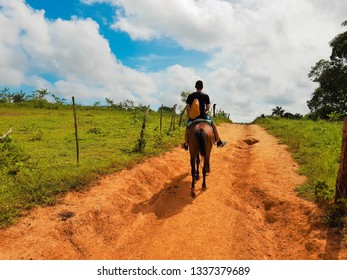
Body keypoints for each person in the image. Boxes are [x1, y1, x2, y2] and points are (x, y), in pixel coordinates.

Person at [182, 80, 227, 150]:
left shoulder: (191, 96)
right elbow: (208, 108)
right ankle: (219, 142)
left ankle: (186, 145)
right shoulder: (206, 96)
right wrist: (204, 111)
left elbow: (187, 107)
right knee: (213, 125)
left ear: (195, 87)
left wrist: (189, 116)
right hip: (203, 116)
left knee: (187, 129)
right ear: (202, 87)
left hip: (193, 118)